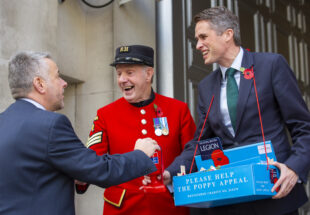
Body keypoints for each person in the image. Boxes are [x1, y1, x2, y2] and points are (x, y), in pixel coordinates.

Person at [165, 6, 310, 215]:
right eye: (197, 39)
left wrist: (295, 168)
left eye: (203, 37)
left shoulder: (271, 65)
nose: (198, 45)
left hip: (275, 196)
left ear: (227, 34)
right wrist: (171, 172)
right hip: (229, 201)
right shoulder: (206, 86)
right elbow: (201, 142)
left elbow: (304, 128)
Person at [0, 51, 160, 215]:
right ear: (39, 84)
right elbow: (101, 170)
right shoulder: (51, 125)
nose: (64, 83)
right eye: (57, 76)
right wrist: (140, 154)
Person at [82, 45, 196, 215]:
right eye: (119, 74)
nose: (122, 79)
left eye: (129, 72)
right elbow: (92, 160)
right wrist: (79, 177)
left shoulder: (178, 110)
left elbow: (193, 152)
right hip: (123, 208)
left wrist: (171, 173)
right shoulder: (105, 115)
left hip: (168, 207)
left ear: (148, 74)